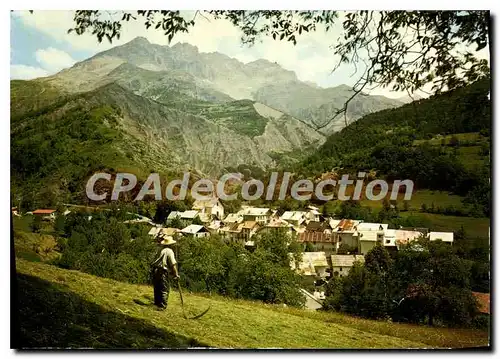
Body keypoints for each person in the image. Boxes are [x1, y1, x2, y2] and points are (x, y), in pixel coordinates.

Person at [150, 234, 180, 310]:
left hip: (155, 270)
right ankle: (162, 305)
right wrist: (176, 274)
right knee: (164, 288)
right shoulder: (169, 251)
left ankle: (157, 303)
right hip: (162, 271)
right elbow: (173, 264)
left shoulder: (160, 249)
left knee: (157, 287)